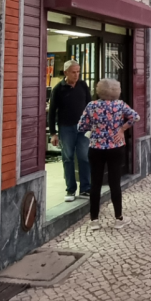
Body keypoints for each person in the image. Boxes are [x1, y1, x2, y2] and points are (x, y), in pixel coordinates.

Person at [78, 79, 139, 228]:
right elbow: (135, 117)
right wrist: (122, 129)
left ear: (99, 90)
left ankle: (94, 220)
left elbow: (81, 126)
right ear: (116, 90)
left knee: (96, 183)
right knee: (114, 183)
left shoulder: (92, 106)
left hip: (96, 148)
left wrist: (93, 127)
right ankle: (119, 218)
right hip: (115, 147)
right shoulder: (120, 105)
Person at [48, 59, 92, 202]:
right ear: (66, 72)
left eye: (78, 72)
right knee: (68, 158)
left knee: (84, 157)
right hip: (66, 128)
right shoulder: (58, 89)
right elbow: (52, 111)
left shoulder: (83, 86)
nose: (76, 74)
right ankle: (70, 189)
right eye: (73, 72)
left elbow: (90, 106)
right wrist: (53, 134)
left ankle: (85, 188)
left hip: (83, 128)